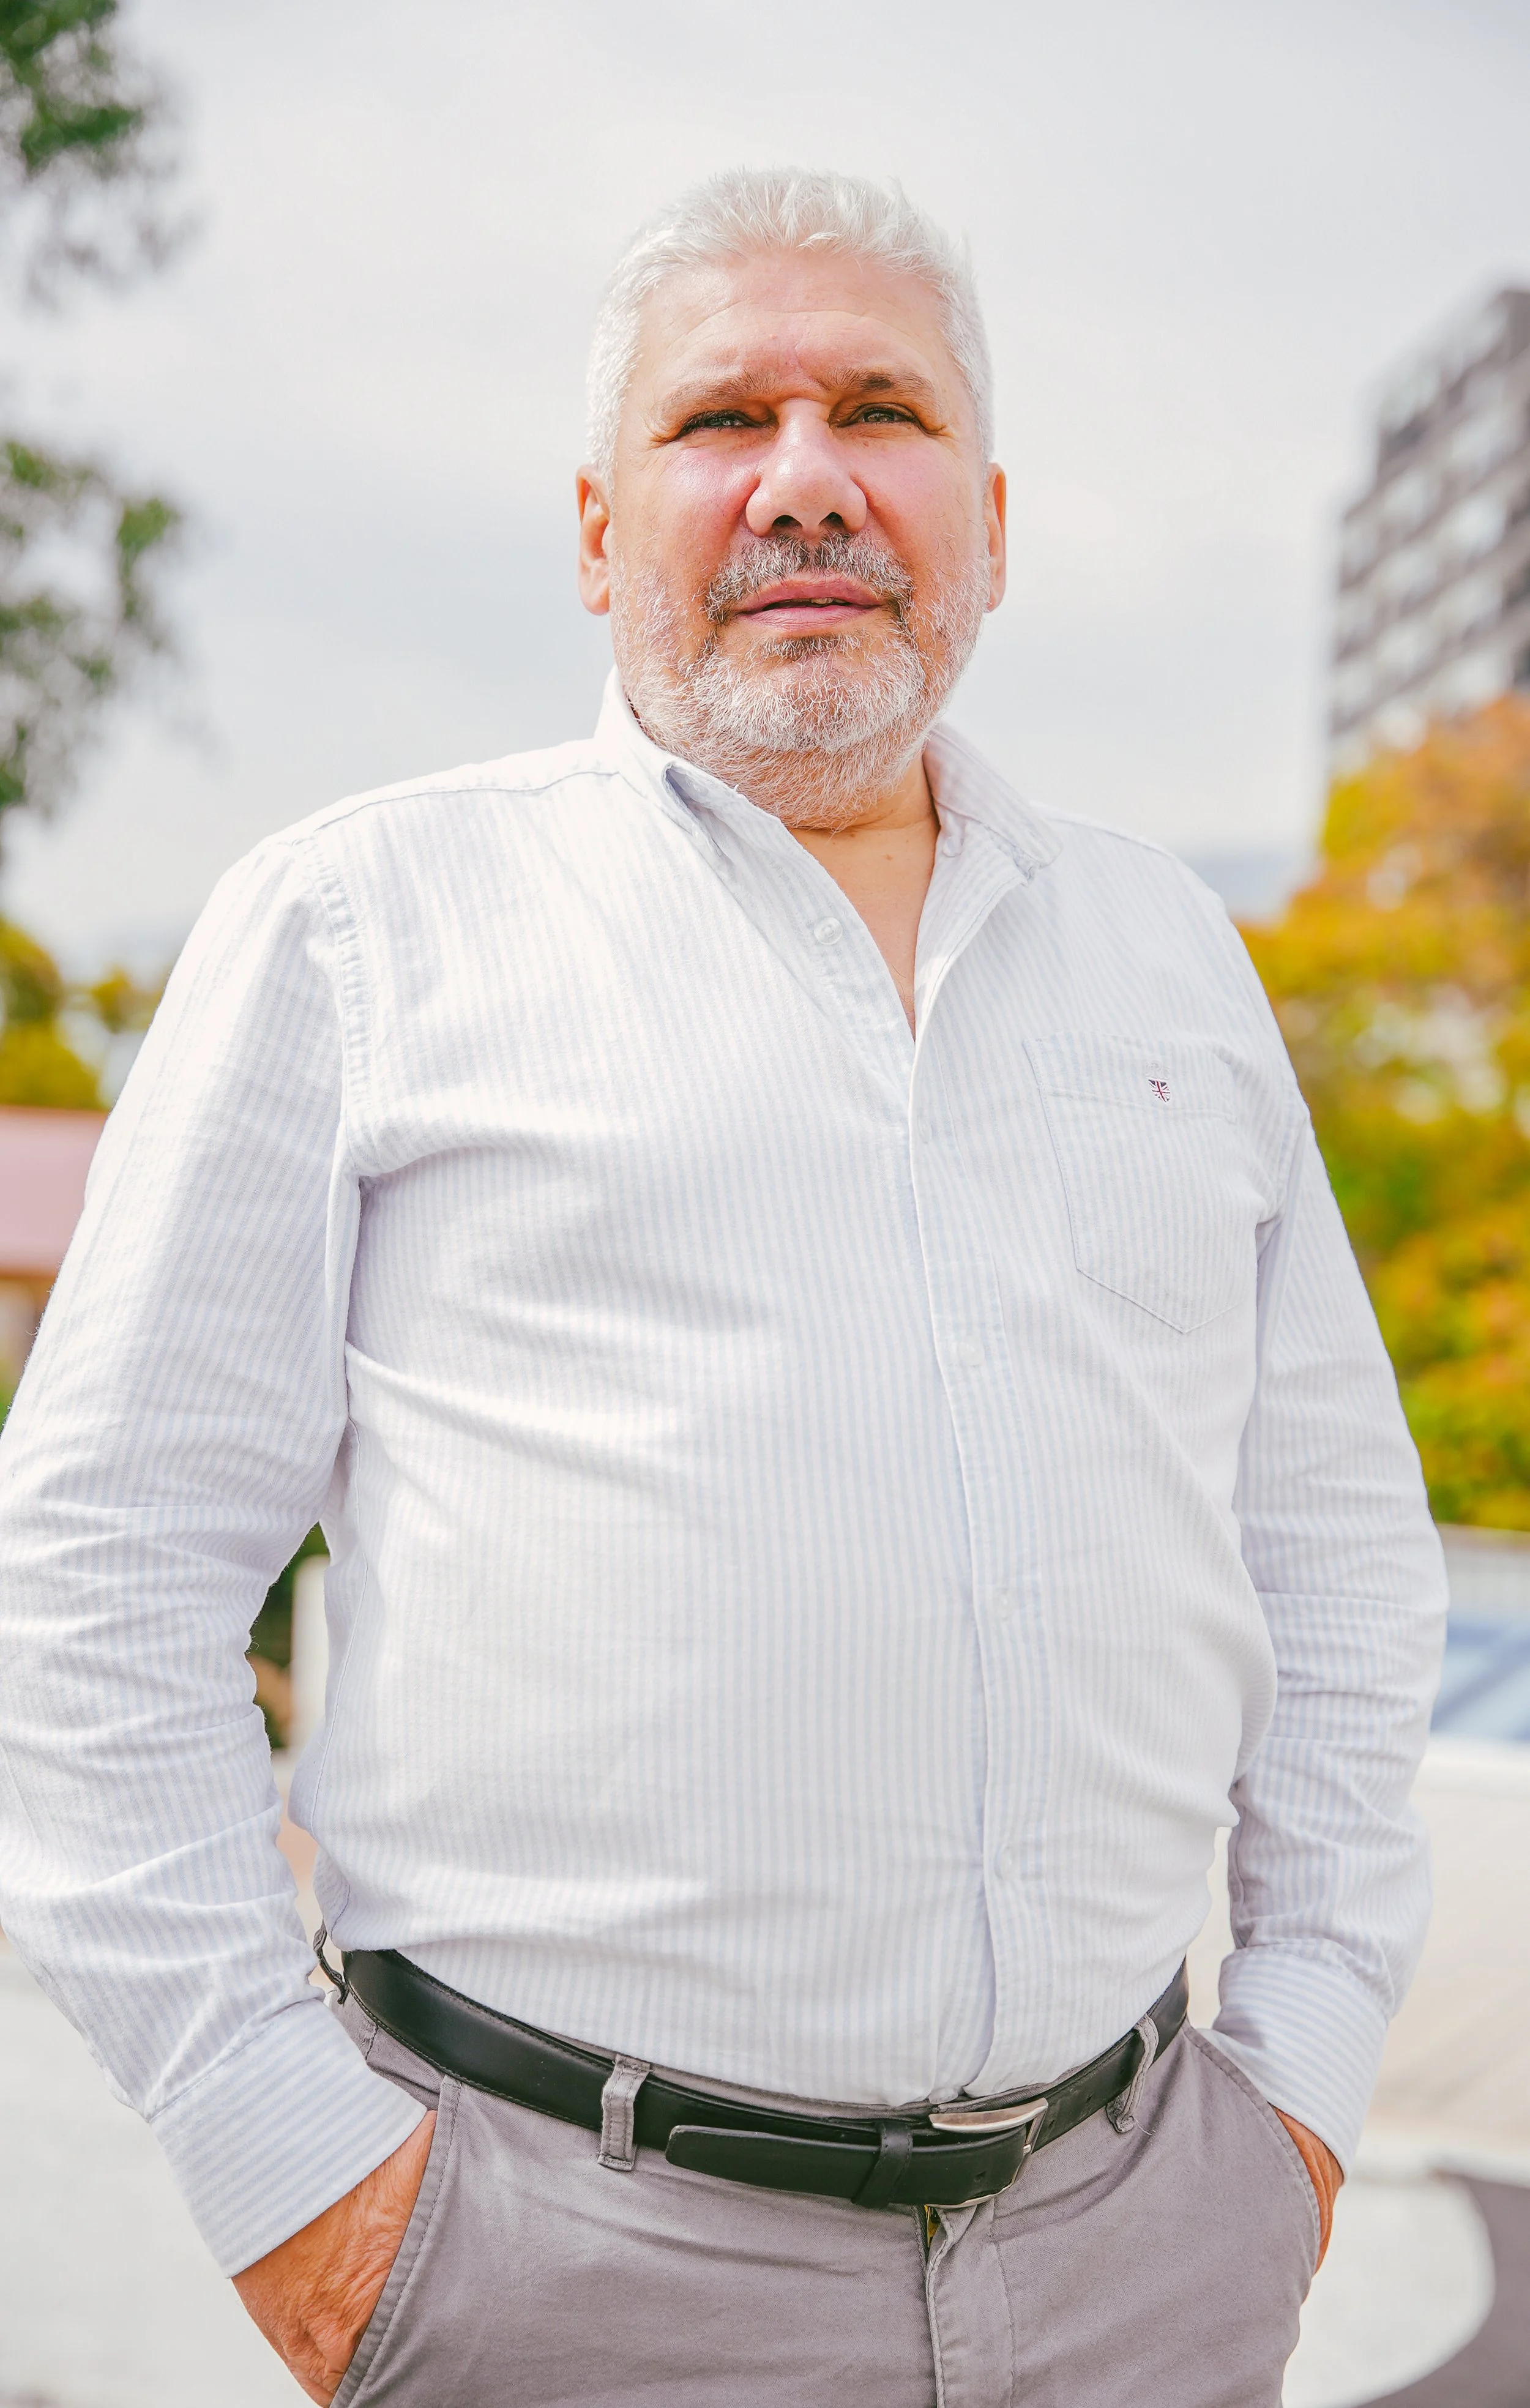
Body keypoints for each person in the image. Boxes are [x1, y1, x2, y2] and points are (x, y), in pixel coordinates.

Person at [0, 169, 1446, 2408]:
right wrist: (301, 2183)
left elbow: (1334, 1550)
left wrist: (1298, 2096)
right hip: (559, 2275)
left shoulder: (1170, 955)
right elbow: (95, 1577)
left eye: (879, 409)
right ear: (599, 532)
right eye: (716, 420)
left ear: (988, 519)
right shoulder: (361, 923)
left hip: (1144, 2254)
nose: (802, 479)